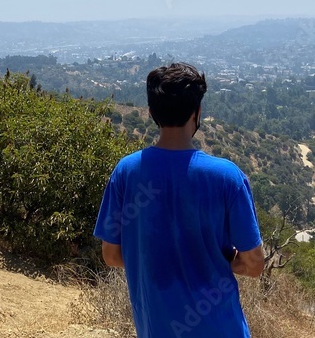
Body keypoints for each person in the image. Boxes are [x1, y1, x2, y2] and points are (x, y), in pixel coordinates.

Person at [94, 62, 264, 337]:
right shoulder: (227, 177)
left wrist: (157, 259)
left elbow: (111, 255)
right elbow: (254, 264)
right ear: (197, 113)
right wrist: (225, 261)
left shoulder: (126, 172)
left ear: (151, 113)